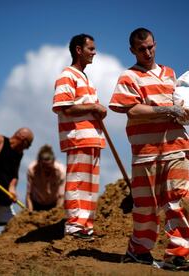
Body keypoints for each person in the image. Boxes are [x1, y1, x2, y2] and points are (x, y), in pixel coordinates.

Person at [109, 28, 189, 270]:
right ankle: (139, 250)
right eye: (141, 49)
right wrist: (165, 110)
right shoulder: (129, 77)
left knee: (178, 200)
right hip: (145, 151)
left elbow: (180, 106)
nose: (147, 52)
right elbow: (131, 109)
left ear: (155, 44)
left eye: (151, 47)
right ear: (132, 50)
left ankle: (177, 254)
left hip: (176, 146)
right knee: (146, 206)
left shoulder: (169, 74)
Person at [52, 33, 107, 240]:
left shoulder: (87, 79)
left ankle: (86, 225)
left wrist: (97, 110)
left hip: (92, 136)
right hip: (78, 136)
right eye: (91, 49)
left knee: (90, 184)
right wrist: (93, 106)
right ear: (78, 50)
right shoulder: (67, 75)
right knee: (77, 181)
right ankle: (75, 225)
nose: (94, 52)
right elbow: (62, 107)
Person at [26, 144, 66, 211]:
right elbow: (29, 194)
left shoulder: (61, 171)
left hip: (54, 204)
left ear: (53, 161)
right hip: (37, 204)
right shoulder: (32, 169)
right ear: (39, 162)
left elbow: (61, 196)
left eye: (49, 167)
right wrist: (30, 212)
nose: (46, 170)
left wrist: (56, 213)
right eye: (44, 166)